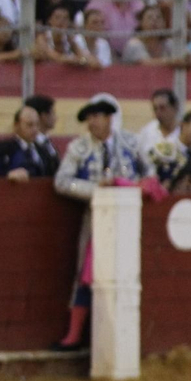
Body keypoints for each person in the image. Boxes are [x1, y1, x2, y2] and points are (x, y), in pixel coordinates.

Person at [51, 98, 149, 352]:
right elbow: (61, 182)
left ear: (109, 118)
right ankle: (74, 336)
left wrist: (136, 189)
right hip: (94, 218)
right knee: (86, 274)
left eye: (96, 116)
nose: (92, 122)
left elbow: (151, 175)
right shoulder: (78, 148)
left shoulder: (131, 142)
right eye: (89, 118)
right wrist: (96, 190)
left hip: (130, 220)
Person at [0, 104, 53, 180]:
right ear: (16, 125)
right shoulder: (1, 149)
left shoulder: (44, 150)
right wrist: (7, 175)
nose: (35, 129)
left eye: (37, 125)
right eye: (29, 125)